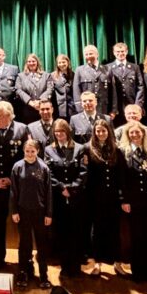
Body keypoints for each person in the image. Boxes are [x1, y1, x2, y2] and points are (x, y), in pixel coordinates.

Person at [0, 100, 29, 270]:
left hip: (16, 185)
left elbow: (27, 158)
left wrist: (11, 179)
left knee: (22, 223)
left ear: (8, 115)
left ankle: (25, 262)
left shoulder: (22, 129)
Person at [119, 120, 147, 283]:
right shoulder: (122, 153)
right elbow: (122, 180)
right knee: (135, 237)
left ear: (143, 134)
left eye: (138, 132)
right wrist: (124, 200)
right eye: (131, 133)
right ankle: (137, 272)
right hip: (132, 203)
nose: (135, 135)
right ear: (127, 135)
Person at [83, 118, 126, 277]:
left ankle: (118, 263)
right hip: (95, 197)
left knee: (115, 230)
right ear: (94, 133)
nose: (101, 133)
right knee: (97, 231)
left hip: (113, 197)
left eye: (104, 130)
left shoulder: (116, 149)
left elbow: (121, 175)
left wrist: (122, 196)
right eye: (98, 131)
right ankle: (97, 264)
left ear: (109, 131)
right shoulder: (88, 149)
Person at [44, 119, 86, 278]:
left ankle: (75, 267)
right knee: (61, 233)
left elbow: (83, 172)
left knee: (75, 232)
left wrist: (72, 188)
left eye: (62, 132)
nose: (59, 135)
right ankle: (64, 266)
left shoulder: (79, 149)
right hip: (58, 197)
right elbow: (49, 173)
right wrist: (62, 188)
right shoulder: (49, 150)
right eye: (56, 133)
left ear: (68, 132)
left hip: (76, 198)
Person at [11, 139, 53, 290]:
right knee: (25, 243)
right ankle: (23, 272)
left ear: (38, 151)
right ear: (23, 151)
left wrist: (48, 213)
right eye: (27, 151)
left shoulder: (43, 168)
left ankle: (43, 274)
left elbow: (48, 192)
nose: (30, 154)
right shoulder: (17, 167)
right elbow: (13, 192)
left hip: (40, 212)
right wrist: (14, 211)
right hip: (23, 211)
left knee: (42, 244)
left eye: (33, 151)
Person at [73, 44, 117, 118]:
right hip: (86, 108)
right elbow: (76, 91)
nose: (88, 56)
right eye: (86, 54)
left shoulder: (107, 69)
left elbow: (113, 91)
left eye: (91, 53)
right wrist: (80, 109)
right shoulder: (79, 70)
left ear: (97, 54)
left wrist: (113, 110)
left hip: (103, 108)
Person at [110, 42, 144, 127]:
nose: (120, 54)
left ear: (127, 52)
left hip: (132, 103)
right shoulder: (108, 68)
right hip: (117, 106)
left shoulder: (135, 67)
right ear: (114, 53)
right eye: (118, 52)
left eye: (122, 51)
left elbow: (140, 86)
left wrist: (137, 105)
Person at [15, 53, 53, 125]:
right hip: (27, 109)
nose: (31, 63)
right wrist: (30, 102)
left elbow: (50, 89)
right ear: (26, 63)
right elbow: (18, 90)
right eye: (29, 61)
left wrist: (39, 101)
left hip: (43, 108)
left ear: (37, 62)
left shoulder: (46, 75)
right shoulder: (20, 76)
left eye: (33, 61)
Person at [50, 54, 74, 119]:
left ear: (68, 62)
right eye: (59, 62)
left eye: (63, 62)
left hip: (71, 108)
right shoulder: (52, 75)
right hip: (58, 108)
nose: (61, 64)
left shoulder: (73, 74)